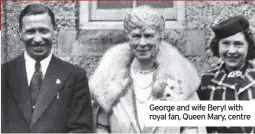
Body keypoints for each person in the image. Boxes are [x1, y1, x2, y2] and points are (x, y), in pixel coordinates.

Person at [90, 5, 206, 133]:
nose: (142, 43)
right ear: (128, 37)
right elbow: (101, 127)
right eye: (136, 36)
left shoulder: (180, 79)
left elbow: (192, 127)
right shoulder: (110, 80)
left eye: (149, 35)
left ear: (160, 36)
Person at [1, 4, 93, 133]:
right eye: (30, 31)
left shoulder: (74, 76)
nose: (38, 39)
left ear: (55, 31)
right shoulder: (3, 74)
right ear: (20, 33)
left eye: (44, 31)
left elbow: (82, 129)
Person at [198, 15, 255, 133]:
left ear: (248, 46)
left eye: (238, 44)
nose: (232, 51)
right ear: (217, 46)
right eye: (226, 43)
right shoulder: (206, 81)